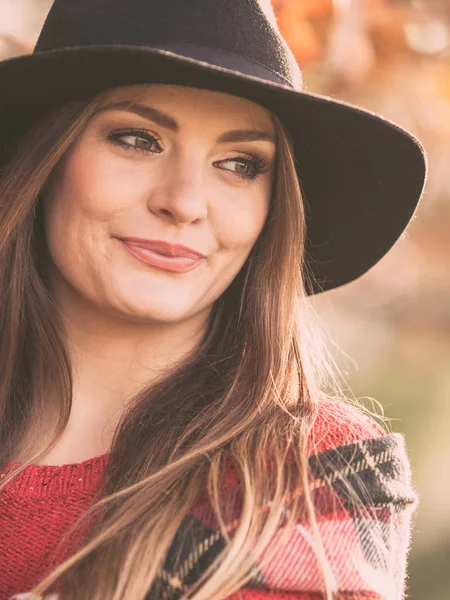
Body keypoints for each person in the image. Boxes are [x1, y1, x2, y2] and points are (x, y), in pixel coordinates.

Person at [0, 1, 426, 599]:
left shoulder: (303, 474)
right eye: (137, 139)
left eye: (239, 164)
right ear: (44, 159)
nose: (186, 201)